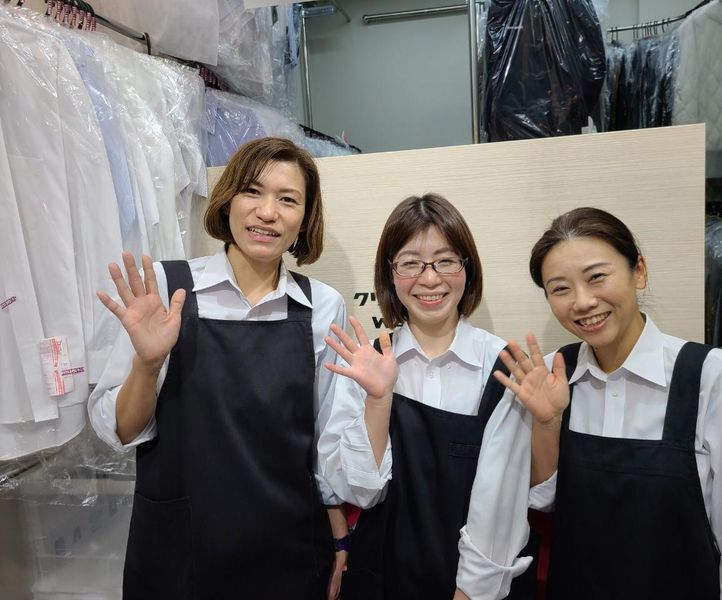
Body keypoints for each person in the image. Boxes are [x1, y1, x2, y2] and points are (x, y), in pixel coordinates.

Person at [459, 206, 722, 599]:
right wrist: (548, 423)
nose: (583, 302)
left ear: (639, 271)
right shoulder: (550, 376)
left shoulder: (718, 380)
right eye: (560, 288)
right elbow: (545, 501)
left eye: (597, 277)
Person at [88, 137, 349, 600]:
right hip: (180, 546)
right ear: (228, 201)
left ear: (305, 218)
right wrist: (148, 364)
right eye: (252, 191)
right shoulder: (167, 287)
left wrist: (340, 538)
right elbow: (121, 431)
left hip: (288, 545)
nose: (267, 212)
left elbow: (327, 439)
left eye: (288, 199)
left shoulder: (323, 306)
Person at [318, 193, 536, 600]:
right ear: (390, 274)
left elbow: (504, 502)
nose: (430, 279)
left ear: (468, 268)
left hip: (477, 586)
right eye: (410, 263)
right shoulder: (366, 363)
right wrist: (378, 400)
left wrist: (470, 591)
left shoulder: (504, 366)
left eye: (445, 260)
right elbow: (358, 491)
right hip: (381, 576)